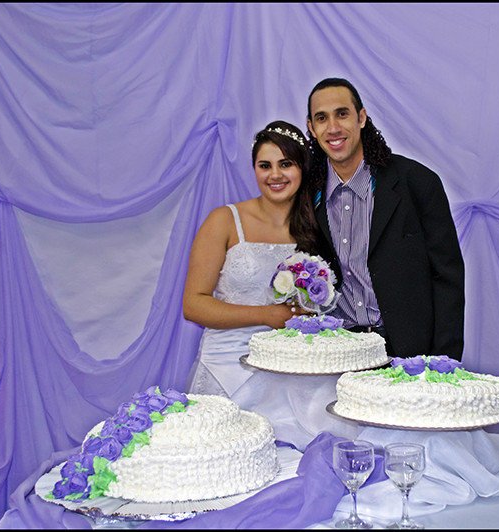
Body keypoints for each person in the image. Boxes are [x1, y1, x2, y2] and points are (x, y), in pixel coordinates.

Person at [305, 78, 465, 360]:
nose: (333, 128)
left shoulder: (416, 182)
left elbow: (447, 277)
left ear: (361, 118)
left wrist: (444, 359)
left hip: (408, 356)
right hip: (336, 355)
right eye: (322, 118)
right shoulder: (307, 194)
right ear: (311, 128)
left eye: (342, 114)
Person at [183, 121, 318, 396]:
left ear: (302, 167)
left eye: (286, 164)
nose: (275, 175)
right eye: (265, 165)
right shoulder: (224, 220)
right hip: (227, 364)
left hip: (291, 363)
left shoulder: (316, 227)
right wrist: (266, 315)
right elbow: (193, 305)